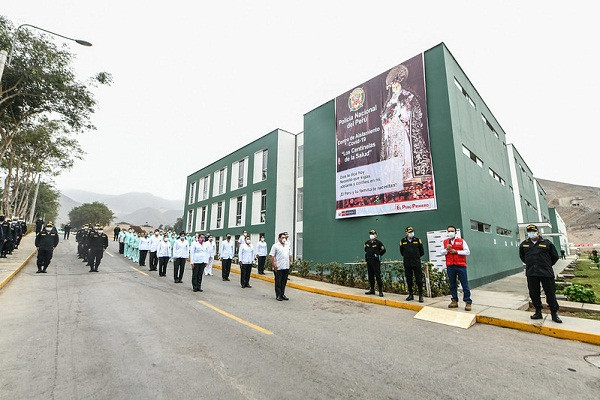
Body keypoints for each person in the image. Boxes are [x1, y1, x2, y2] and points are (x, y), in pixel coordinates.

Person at [519, 224, 562, 323]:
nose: (531, 233)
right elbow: (522, 257)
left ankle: (554, 313)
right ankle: (538, 312)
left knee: (550, 293)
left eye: (533, 231)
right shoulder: (524, 244)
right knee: (534, 293)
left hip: (546, 273)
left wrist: (546, 265)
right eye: (529, 232)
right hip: (532, 273)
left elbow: (555, 257)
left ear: (538, 232)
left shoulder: (547, 243)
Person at [441, 225, 472, 311]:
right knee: (452, 284)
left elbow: (467, 251)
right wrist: (446, 249)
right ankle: (454, 300)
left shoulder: (461, 241)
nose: (450, 233)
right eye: (449, 231)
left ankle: (468, 302)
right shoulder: (445, 242)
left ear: (455, 232)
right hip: (450, 265)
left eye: (452, 231)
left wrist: (457, 252)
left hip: (461, 265)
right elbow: (441, 252)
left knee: (464, 284)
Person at [399, 226, 425, 302]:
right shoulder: (402, 241)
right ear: (406, 233)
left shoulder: (417, 240)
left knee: (419, 280)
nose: (411, 233)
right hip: (407, 263)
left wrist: (415, 257)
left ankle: (420, 295)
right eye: (409, 232)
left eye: (412, 232)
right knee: (409, 279)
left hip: (416, 263)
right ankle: (411, 294)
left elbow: (422, 252)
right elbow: (402, 252)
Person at [364, 229, 386, 297]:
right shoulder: (367, 243)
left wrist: (378, 254)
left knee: (377, 276)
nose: (371, 235)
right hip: (369, 261)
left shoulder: (378, 243)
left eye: (373, 234)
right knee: (370, 276)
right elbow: (365, 250)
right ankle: (372, 290)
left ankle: (380, 291)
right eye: (370, 234)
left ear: (376, 235)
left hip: (375, 262)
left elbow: (383, 250)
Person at [270, 233, 291, 301]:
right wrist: (274, 265)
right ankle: (278, 295)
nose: (284, 239)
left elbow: (289, 255)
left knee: (284, 281)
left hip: (286, 266)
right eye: (282, 237)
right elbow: (272, 256)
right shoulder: (275, 246)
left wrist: (289, 263)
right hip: (278, 267)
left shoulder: (287, 246)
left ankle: (282, 294)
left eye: (284, 237)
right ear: (279, 238)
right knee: (278, 282)